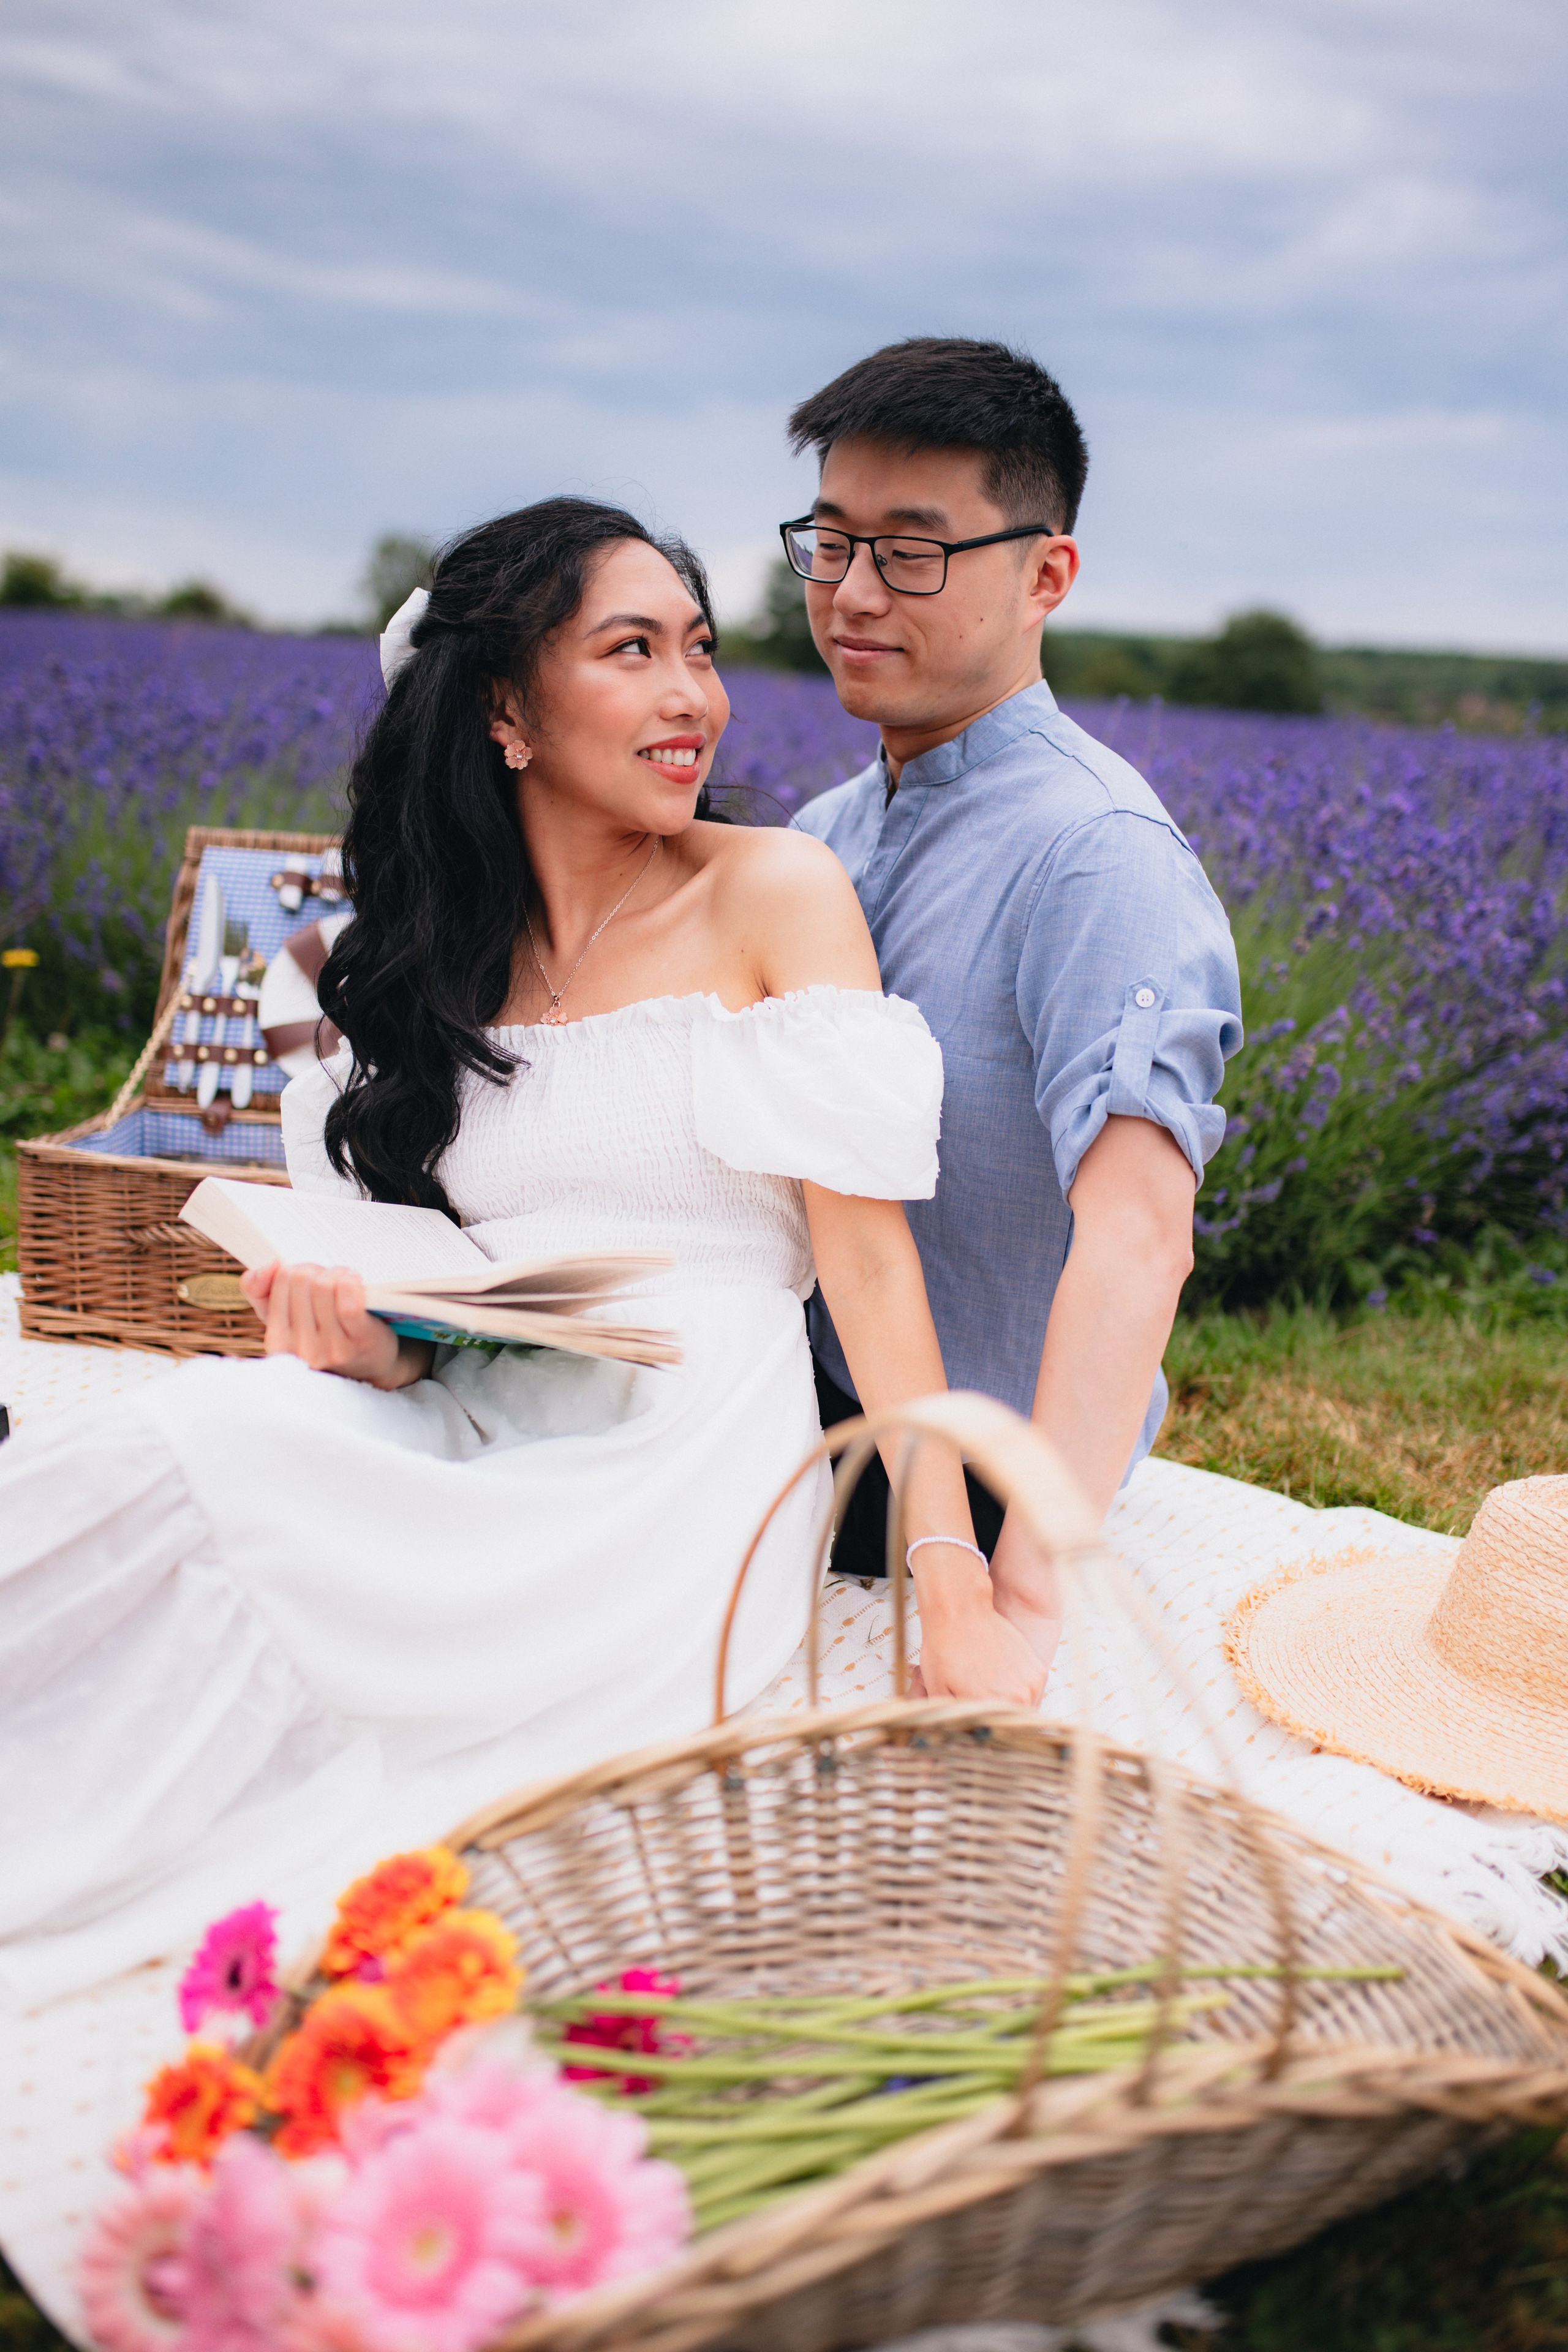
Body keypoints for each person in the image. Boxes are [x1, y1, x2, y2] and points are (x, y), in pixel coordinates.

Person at [0, 496, 1044, 2009]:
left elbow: (868, 1264)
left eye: (698, 647)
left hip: (680, 1450)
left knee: (380, 1652)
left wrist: (944, 1569)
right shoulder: (418, 961)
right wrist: (355, 1330)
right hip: (463, 1396)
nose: (694, 696)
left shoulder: (770, 895)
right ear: (504, 708)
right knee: (191, 1433)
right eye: (633, 651)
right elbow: (418, 1311)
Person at [788, 339, 1243, 1667]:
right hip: (802, 1397)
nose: (854, 594)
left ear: (1045, 573)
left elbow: (1139, 1236)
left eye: (912, 552)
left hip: (970, 1473)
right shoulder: (825, 826)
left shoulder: (1094, 853)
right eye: (830, 542)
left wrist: (1026, 1595)